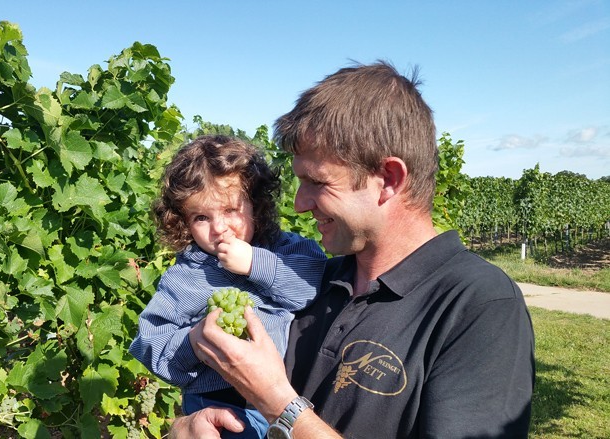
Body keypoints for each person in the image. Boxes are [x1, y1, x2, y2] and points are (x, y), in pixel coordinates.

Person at [172, 61, 536, 438]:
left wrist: (277, 401)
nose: (298, 203)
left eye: (316, 181)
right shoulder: (316, 280)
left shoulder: (478, 306)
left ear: (389, 179)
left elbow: (275, 404)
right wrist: (186, 425)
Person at [129, 135, 327, 438]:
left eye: (230, 210)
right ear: (182, 221)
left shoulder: (285, 251)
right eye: (201, 217)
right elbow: (150, 343)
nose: (219, 227)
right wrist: (194, 341)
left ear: (256, 206)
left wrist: (253, 263)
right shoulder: (183, 277)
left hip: (286, 397)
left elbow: (310, 286)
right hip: (217, 407)